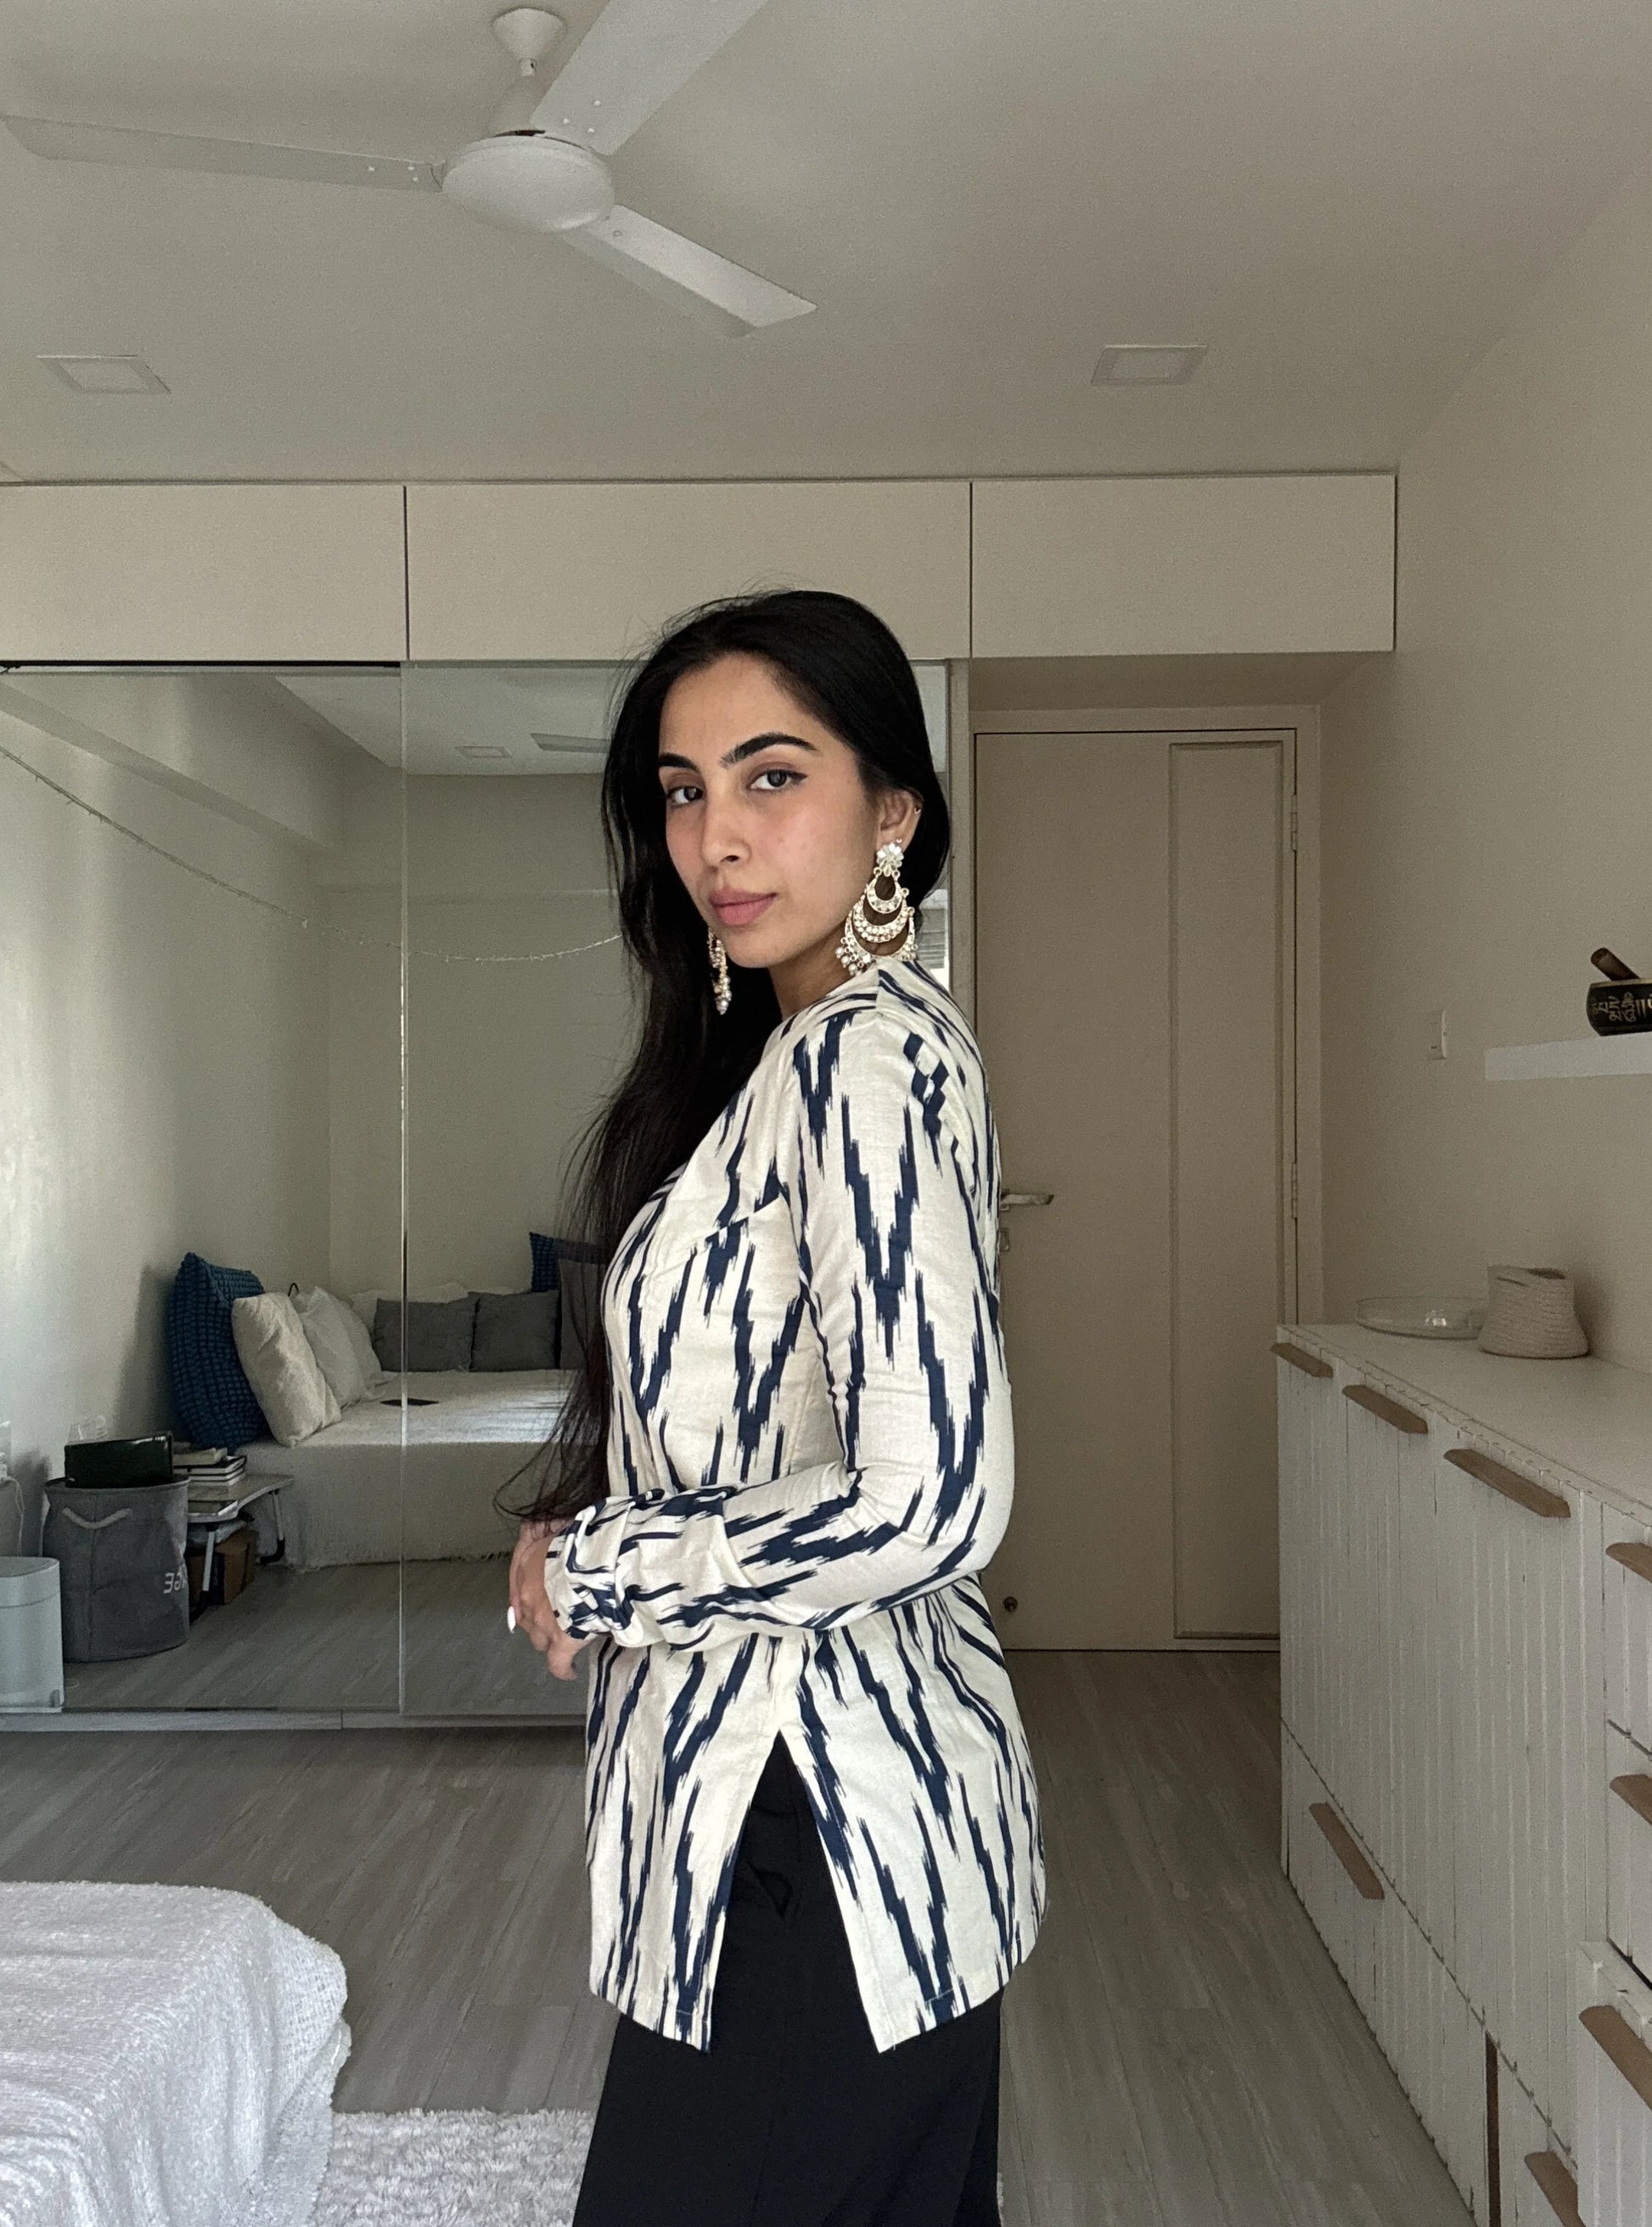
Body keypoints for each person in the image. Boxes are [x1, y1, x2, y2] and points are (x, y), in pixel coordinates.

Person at [506, 587, 1047, 2226]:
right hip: (821, 1815)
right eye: (684, 791)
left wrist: (604, 1569)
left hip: (816, 1826)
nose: (716, 838)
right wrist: (595, 1519)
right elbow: (744, 1408)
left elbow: (933, 1492)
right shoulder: (791, 1059)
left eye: (771, 775)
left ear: (893, 813)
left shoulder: (863, 1061)